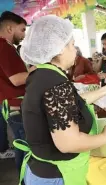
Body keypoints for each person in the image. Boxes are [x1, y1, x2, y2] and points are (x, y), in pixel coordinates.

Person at [18, 15, 106, 185]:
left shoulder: (42, 75)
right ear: (59, 49)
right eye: (72, 44)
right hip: (57, 175)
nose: (75, 50)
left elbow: (69, 105)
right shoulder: (54, 83)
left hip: (42, 170)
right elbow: (69, 143)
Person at [0, 11, 34, 170]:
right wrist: (41, 71)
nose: (24, 35)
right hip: (14, 105)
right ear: (9, 28)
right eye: (22, 30)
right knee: (25, 144)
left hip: (11, 103)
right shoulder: (4, 47)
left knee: (21, 144)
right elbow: (16, 79)